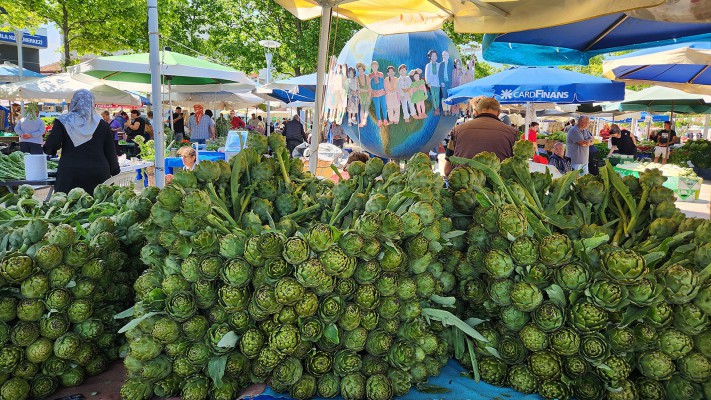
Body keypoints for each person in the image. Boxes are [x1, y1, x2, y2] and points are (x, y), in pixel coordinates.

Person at [43, 89, 120, 194]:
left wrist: (48, 149)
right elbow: (110, 152)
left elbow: (51, 147)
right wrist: (115, 171)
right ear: (92, 103)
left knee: (68, 206)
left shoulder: (63, 121)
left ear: (74, 101)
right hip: (99, 173)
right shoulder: (102, 124)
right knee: (98, 208)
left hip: (71, 173)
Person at [444, 97, 518, 176]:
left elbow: (447, 170)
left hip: (466, 185)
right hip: (500, 186)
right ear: (498, 112)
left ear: (475, 112)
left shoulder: (457, 130)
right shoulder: (513, 133)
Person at [369, 61, 388, 127]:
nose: (374, 67)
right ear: (371, 67)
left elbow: (383, 83)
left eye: (375, 66)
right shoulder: (370, 76)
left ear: (378, 66)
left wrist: (385, 90)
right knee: (377, 107)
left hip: (382, 92)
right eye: (373, 66)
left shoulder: (381, 74)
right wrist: (370, 92)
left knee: (384, 106)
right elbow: (370, 85)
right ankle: (379, 120)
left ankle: (385, 119)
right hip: (374, 93)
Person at [424, 50, 441, 116]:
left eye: (435, 56)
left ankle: (438, 108)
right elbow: (426, 75)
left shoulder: (439, 65)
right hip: (431, 84)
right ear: (430, 57)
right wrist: (428, 83)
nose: (434, 57)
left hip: (437, 83)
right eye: (432, 56)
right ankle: (435, 108)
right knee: (433, 96)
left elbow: (440, 74)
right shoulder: (428, 65)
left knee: (437, 96)